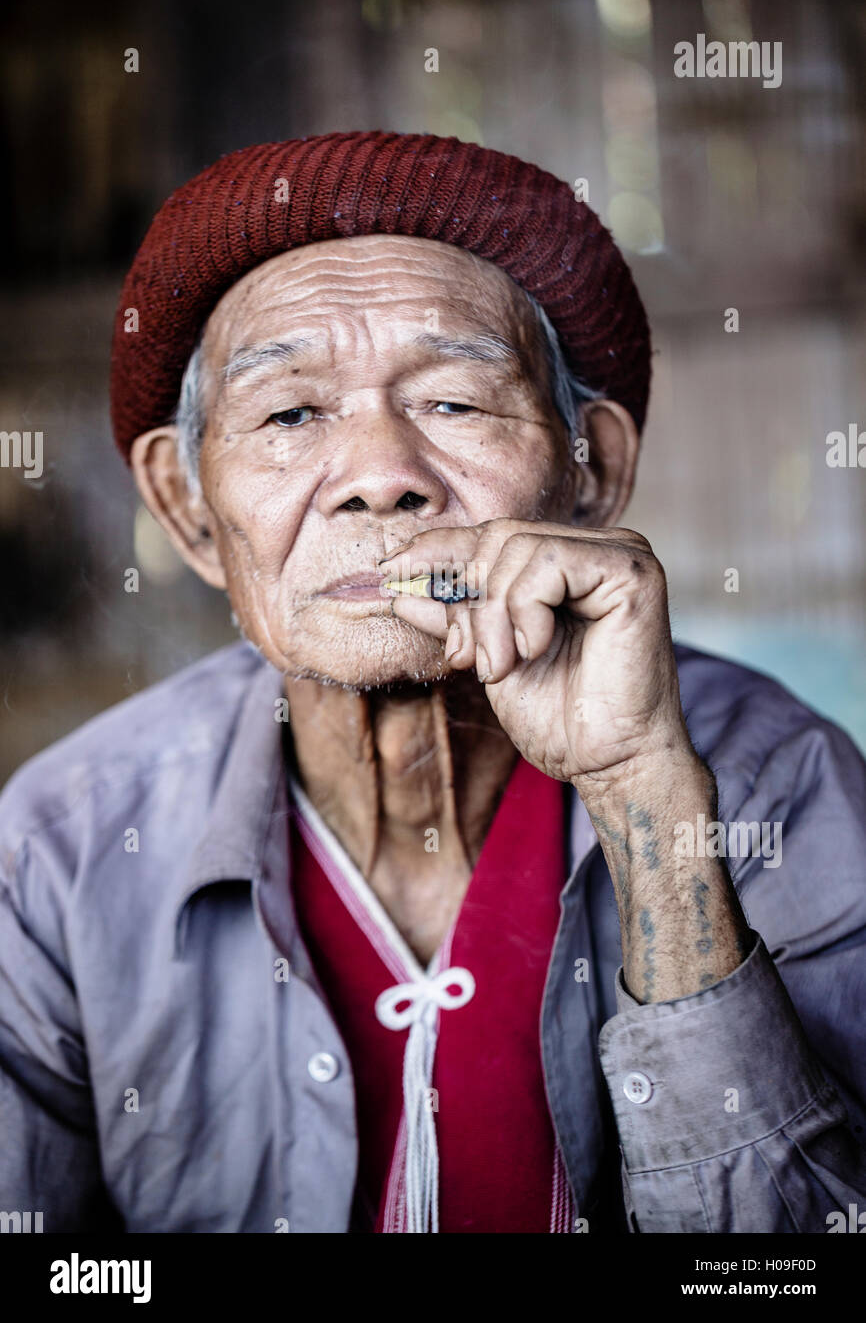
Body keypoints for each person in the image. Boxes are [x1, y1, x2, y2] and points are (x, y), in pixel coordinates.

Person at [1, 131, 864, 1234]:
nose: (379, 479)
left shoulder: (774, 787)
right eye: (289, 414)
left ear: (586, 469)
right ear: (185, 510)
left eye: (453, 402)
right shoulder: (64, 848)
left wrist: (648, 799)